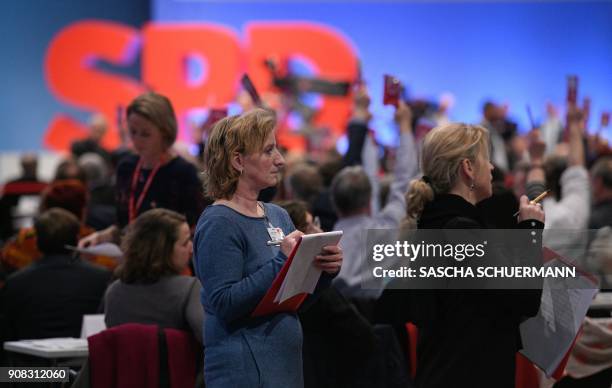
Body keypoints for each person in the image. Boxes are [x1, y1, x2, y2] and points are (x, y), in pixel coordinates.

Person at [383, 123, 545, 388]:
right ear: (468, 168)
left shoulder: (438, 221)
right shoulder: (461, 230)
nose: (492, 168)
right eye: (486, 159)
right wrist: (531, 231)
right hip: (468, 373)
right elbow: (525, 299)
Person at [193, 108, 343, 387]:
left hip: (284, 366)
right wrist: (281, 263)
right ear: (238, 160)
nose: (281, 160)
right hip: (242, 371)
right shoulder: (218, 222)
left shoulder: (278, 215)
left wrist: (323, 271)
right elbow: (224, 303)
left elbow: (292, 300)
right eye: (268, 151)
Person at [78, 92, 204, 247]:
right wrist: (98, 238)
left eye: (145, 134)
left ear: (165, 132)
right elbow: (123, 226)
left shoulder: (183, 173)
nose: (137, 140)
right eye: (133, 132)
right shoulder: (126, 167)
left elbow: (193, 229)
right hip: (130, 258)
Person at [0, 208, 110, 340]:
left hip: (30, 358)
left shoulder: (15, 283)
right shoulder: (101, 278)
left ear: (37, 243)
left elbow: (8, 330)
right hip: (84, 356)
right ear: (76, 239)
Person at [104, 208, 204, 342]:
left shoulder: (114, 292)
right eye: (185, 243)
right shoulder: (189, 289)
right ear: (163, 250)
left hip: (129, 362)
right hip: (176, 362)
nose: (192, 248)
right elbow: (209, 337)